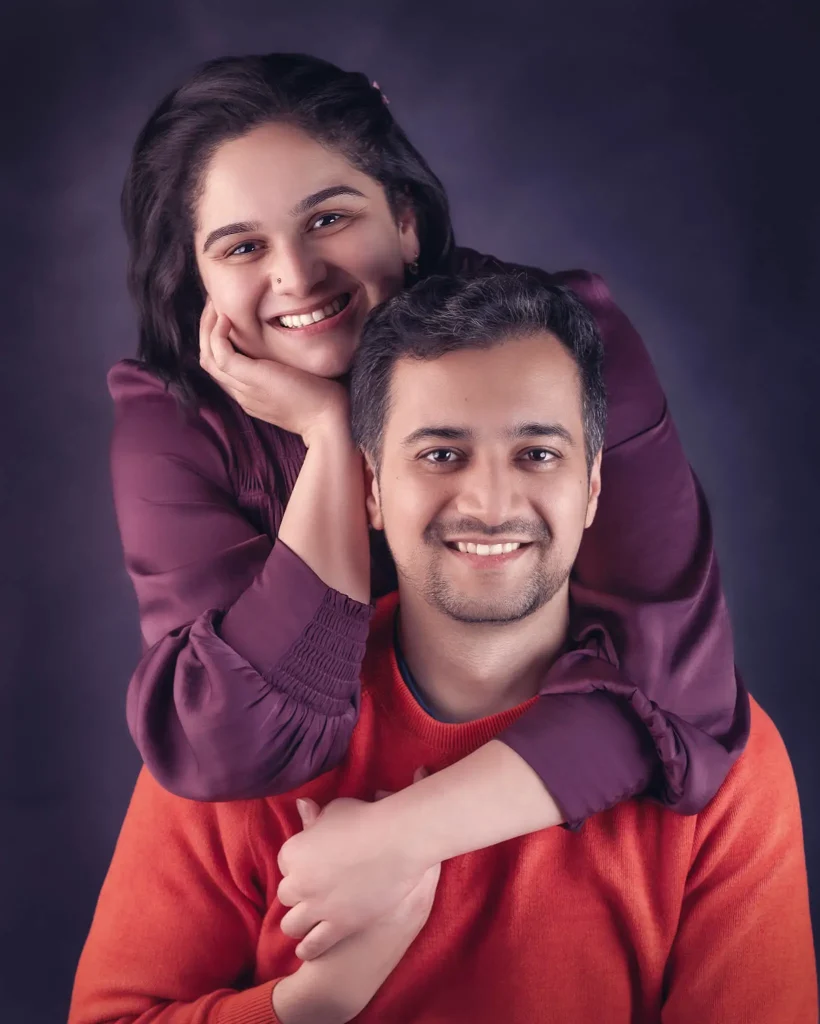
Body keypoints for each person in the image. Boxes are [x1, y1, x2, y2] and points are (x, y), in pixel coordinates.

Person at [108, 52, 748, 958]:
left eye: (329, 218)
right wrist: (333, 440)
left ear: (405, 220)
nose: (297, 276)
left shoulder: (556, 346)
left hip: (560, 832)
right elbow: (233, 745)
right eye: (242, 246)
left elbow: (678, 691)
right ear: (198, 278)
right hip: (294, 877)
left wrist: (406, 835)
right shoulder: (175, 422)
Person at [70, 274, 816, 1024]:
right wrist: (312, 1003)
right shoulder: (245, 729)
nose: (491, 505)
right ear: (370, 487)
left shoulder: (725, 772)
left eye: (537, 454)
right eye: (440, 455)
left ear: (593, 486)